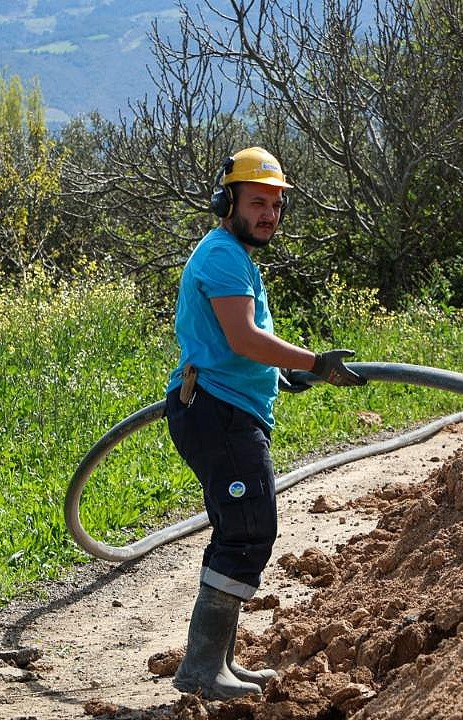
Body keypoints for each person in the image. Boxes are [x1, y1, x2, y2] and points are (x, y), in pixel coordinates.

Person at [164, 146, 366, 699]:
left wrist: (280, 376)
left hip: (227, 406)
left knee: (240, 529)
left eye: (276, 205)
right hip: (219, 415)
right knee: (250, 530)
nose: (269, 215)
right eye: (257, 202)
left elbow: (230, 348)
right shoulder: (225, 257)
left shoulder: (233, 255)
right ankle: (203, 670)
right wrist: (314, 364)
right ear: (227, 202)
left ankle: (217, 664)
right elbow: (244, 339)